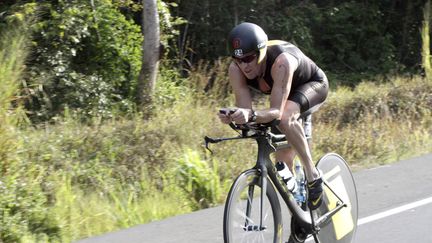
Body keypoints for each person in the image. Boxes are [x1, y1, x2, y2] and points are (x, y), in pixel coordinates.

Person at [217, 22, 329, 210]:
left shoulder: (281, 62)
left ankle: (313, 176)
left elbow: (277, 111)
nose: (244, 65)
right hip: (285, 94)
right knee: (283, 163)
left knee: (285, 118)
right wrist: (236, 116)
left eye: (249, 58)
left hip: (312, 86)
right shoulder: (236, 69)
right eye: (238, 60)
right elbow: (247, 112)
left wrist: (251, 115)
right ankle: (301, 217)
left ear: (260, 52)